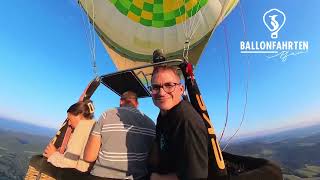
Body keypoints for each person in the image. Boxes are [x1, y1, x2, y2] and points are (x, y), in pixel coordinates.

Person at [148, 66, 209, 180]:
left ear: (181, 89)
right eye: (155, 87)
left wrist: (156, 178)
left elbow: (195, 177)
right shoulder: (163, 116)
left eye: (169, 85)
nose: (161, 92)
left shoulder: (186, 121)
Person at [84, 91, 156, 179]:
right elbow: (153, 160)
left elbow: (89, 157)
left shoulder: (106, 115)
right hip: (138, 177)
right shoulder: (151, 123)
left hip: (102, 175)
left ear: (121, 101)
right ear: (137, 104)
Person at [43, 100, 96, 173]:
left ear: (80, 115)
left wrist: (53, 154)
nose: (69, 123)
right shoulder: (94, 127)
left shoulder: (82, 128)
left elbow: (69, 163)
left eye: (70, 119)